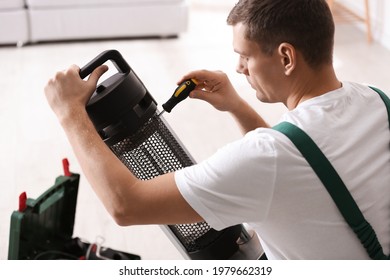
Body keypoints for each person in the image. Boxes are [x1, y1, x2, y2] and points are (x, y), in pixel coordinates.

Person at [44, 0, 389, 259]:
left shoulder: (268, 158)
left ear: (286, 58)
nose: (238, 68)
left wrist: (69, 113)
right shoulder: (375, 101)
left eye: (246, 56)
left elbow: (126, 205)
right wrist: (236, 106)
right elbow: (304, 168)